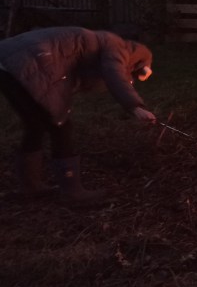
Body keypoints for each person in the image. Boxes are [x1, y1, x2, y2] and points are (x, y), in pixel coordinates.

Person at [0, 26, 157, 207]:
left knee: (35, 124)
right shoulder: (118, 47)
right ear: (136, 62)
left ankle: (30, 186)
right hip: (29, 62)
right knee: (60, 125)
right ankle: (72, 192)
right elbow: (114, 73)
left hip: (7, 61)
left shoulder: (101, 43)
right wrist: (135, 106)